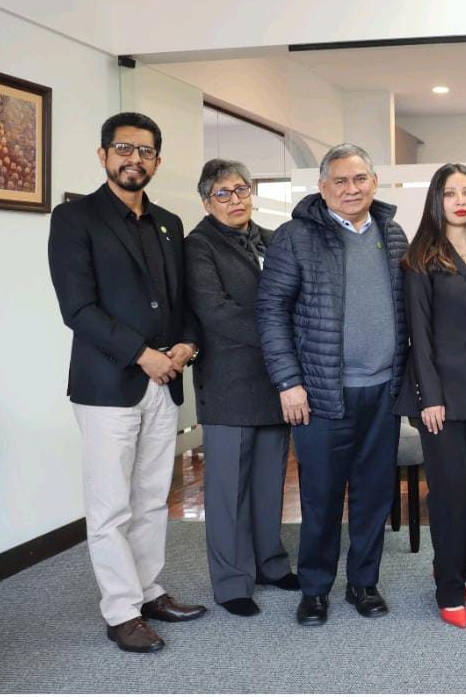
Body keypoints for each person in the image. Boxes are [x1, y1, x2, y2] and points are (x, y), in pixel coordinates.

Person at [47, 112, 206, 653]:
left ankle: (148, 590)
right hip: (107, 385)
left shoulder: (169, 223)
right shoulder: (74, 218)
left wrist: (186, 343)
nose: (133, 159)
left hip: (164, 383)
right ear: (102, 156)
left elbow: (181, 303)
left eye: (145, 152)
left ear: (157, 161)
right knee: (111, 504)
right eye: (123, 148)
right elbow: (78, 309)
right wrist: (142, 355)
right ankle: (120, 611)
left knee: (150, 498)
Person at [256, 143, 407, 627]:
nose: (350, 188)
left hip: (382, 390)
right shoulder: (295, 237)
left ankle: (364, 583)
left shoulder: (392, 232)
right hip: (321, 394)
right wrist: (288, 381)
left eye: (359, 178)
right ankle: (315, 589)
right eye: (339, 181)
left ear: (374, 182)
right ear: (322, 187)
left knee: (374, 495)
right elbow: (271, 311)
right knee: (321, 497)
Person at [185, 158, 298, 617]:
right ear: (206, 200)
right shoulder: (198, 246)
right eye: (223, 193)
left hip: (276, 381)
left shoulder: (272, 239)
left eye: (241, 190)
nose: (235, 200)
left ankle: (270, 562)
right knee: (229, 489)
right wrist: (280, 333)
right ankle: (233, 581)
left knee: (271, 482)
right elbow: (216, 312)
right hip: (229, 382)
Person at [395, 163, 466, 629]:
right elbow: (418, 334)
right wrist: (428, 397)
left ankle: (455, 571)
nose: (460, 200)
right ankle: (448, 591)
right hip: (439, 395)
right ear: (435, 200)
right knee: (447, 493)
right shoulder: (420, 258)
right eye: (450, 193)